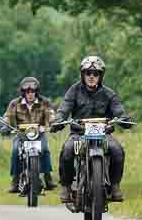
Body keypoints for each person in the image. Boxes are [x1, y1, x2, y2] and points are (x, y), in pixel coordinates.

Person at [51, 55, 132, 203]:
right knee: (67, 150)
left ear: (101, 76)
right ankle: (67, 186)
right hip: (79, 133)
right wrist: (58, 120)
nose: (92, 76)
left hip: (103, 134)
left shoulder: (109, 94)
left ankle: (114, 186)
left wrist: (125, 119)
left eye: (96, 74)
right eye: (88, 73)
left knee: (117, 150)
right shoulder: (73, 91)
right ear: (83, 74)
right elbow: (64, 108)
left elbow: (118, 110)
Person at [1, 76, 55, 193]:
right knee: (15, 151)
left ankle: (48, 178)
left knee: (45, 149)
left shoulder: (44, 102)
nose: (30, 94)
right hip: (21, 135)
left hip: (39, 134)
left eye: (33, 91)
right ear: (23, 92)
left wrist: (53, 123)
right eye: (27, 91)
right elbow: (7, 116)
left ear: (37, 92)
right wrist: (5, 125)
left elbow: (51, 114)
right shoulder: (15, 103)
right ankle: (15, 181)